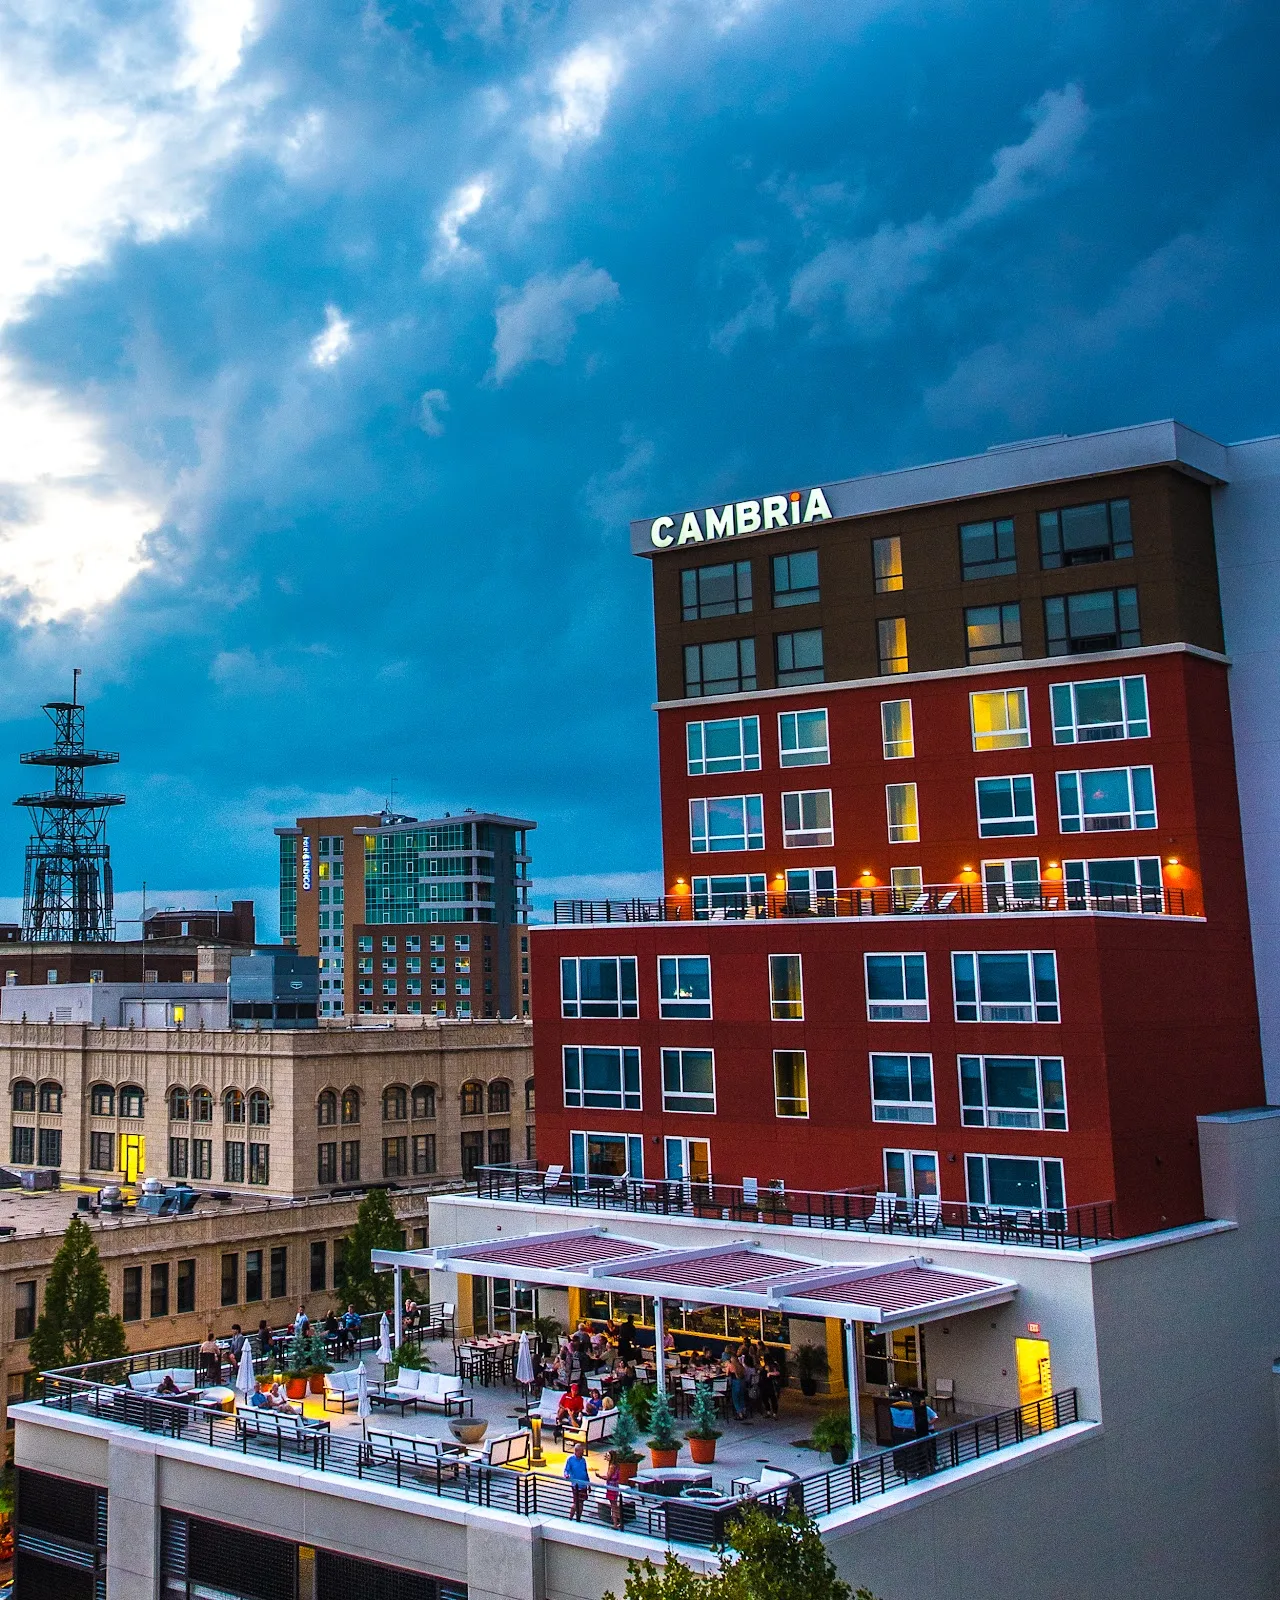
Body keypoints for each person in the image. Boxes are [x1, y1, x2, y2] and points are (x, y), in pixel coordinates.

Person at [563, 1442, 591, 1520]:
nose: (582, 1453)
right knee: (576, 1503)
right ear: (576, 1451)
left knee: (581, 1503)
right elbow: (566, 1470)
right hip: (576, 1485)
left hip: (583, 1485)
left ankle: (578, 1518)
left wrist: (588, 1484)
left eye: (583, 1452)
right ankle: (570, 1517)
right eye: (581, 1452)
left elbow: (585, 1472)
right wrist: (566, 1475)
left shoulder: (583, 1460)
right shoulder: (571, 1460)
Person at [604, 1457, 624, 1528]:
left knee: (613, 1506)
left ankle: (615, 1524)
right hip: (615, 1487)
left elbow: (608, 1477)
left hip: (611, 1488)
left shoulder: (612, 1466)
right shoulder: (617, 1466)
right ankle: (620, 1522)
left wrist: (599, 1476)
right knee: (615, 1505)